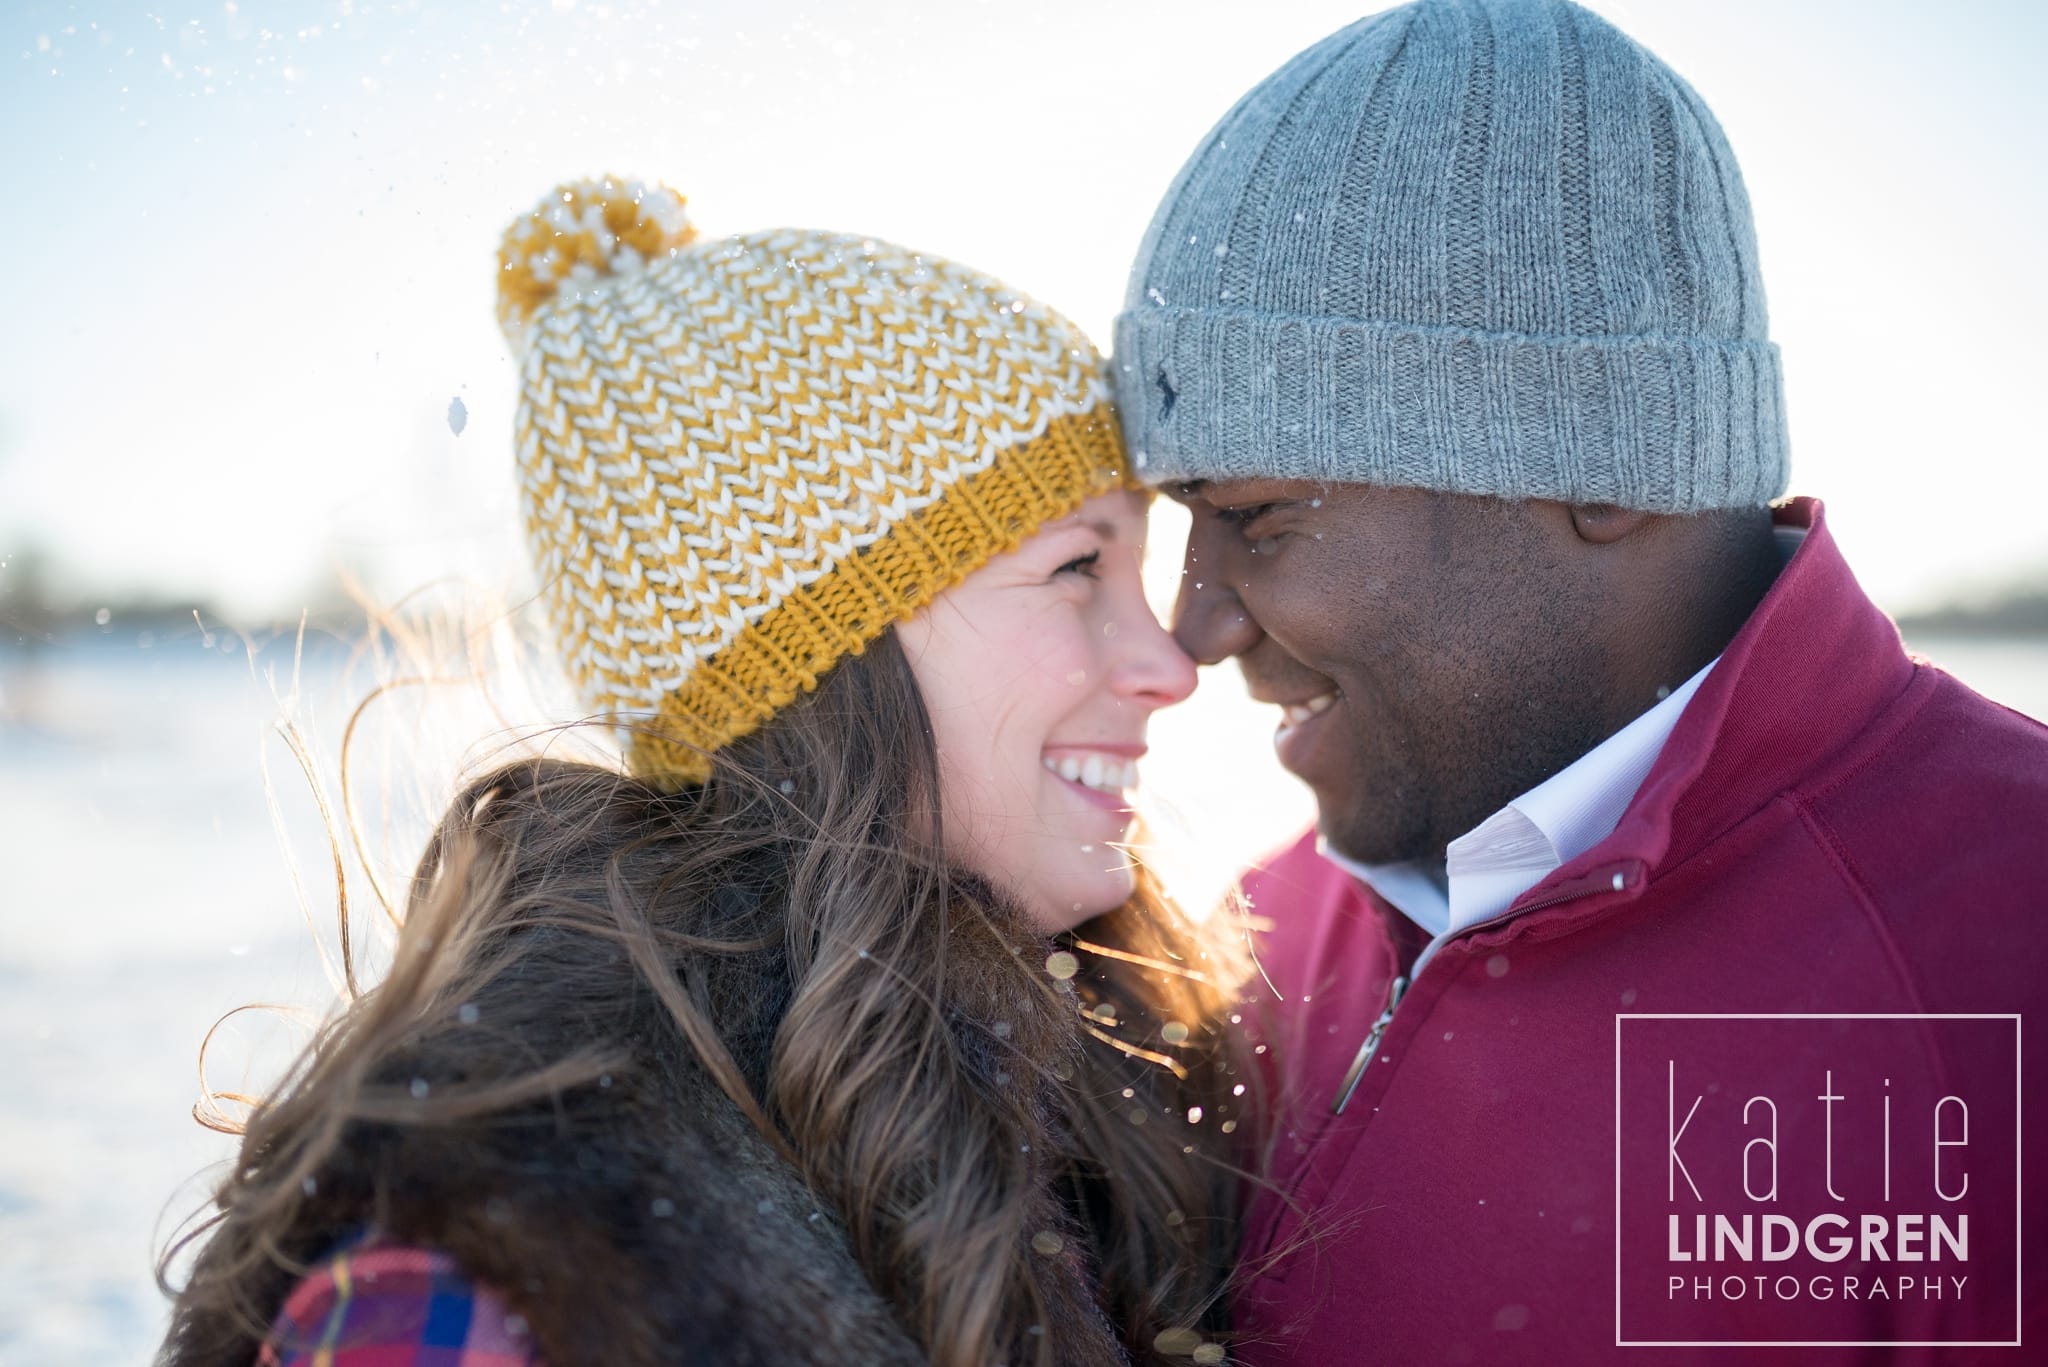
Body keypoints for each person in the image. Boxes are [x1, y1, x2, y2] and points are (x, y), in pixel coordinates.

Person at [158, 178, 1251, 1367]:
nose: (1168, 661)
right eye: (1077, 567)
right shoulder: (493, 1247)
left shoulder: (1105, 1075)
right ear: (820, 651)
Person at [1112, 1, 2047, 1362]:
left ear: (1599, 471)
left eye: (1255, 515)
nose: (1188, 632)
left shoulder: (2009, 948)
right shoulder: (1258, 939)